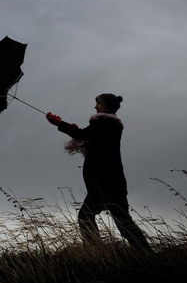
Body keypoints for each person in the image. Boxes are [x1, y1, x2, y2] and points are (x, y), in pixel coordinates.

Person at [46, 93, 151, 251]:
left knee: (86, 217)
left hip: (104, 183)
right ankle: (146, 254)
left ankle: (96, 252)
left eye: (99, 104)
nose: (95, 106)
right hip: (112, 182)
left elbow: (83, 135)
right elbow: (91, 139)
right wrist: (74, 130)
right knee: (123, 222)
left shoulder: (105, 123)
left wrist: (59, 123)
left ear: (107, 106)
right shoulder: (108, 124)